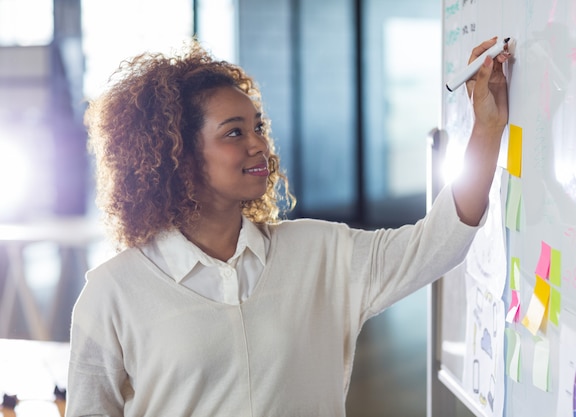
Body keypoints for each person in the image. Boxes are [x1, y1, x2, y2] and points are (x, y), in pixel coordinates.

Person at [66, 37, 510, 416]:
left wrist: (487, 129)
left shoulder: (319, 252)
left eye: (257, 126)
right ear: (177, 154)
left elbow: (438, 242)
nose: (260, 143)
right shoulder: (112, 294)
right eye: (234, 132)